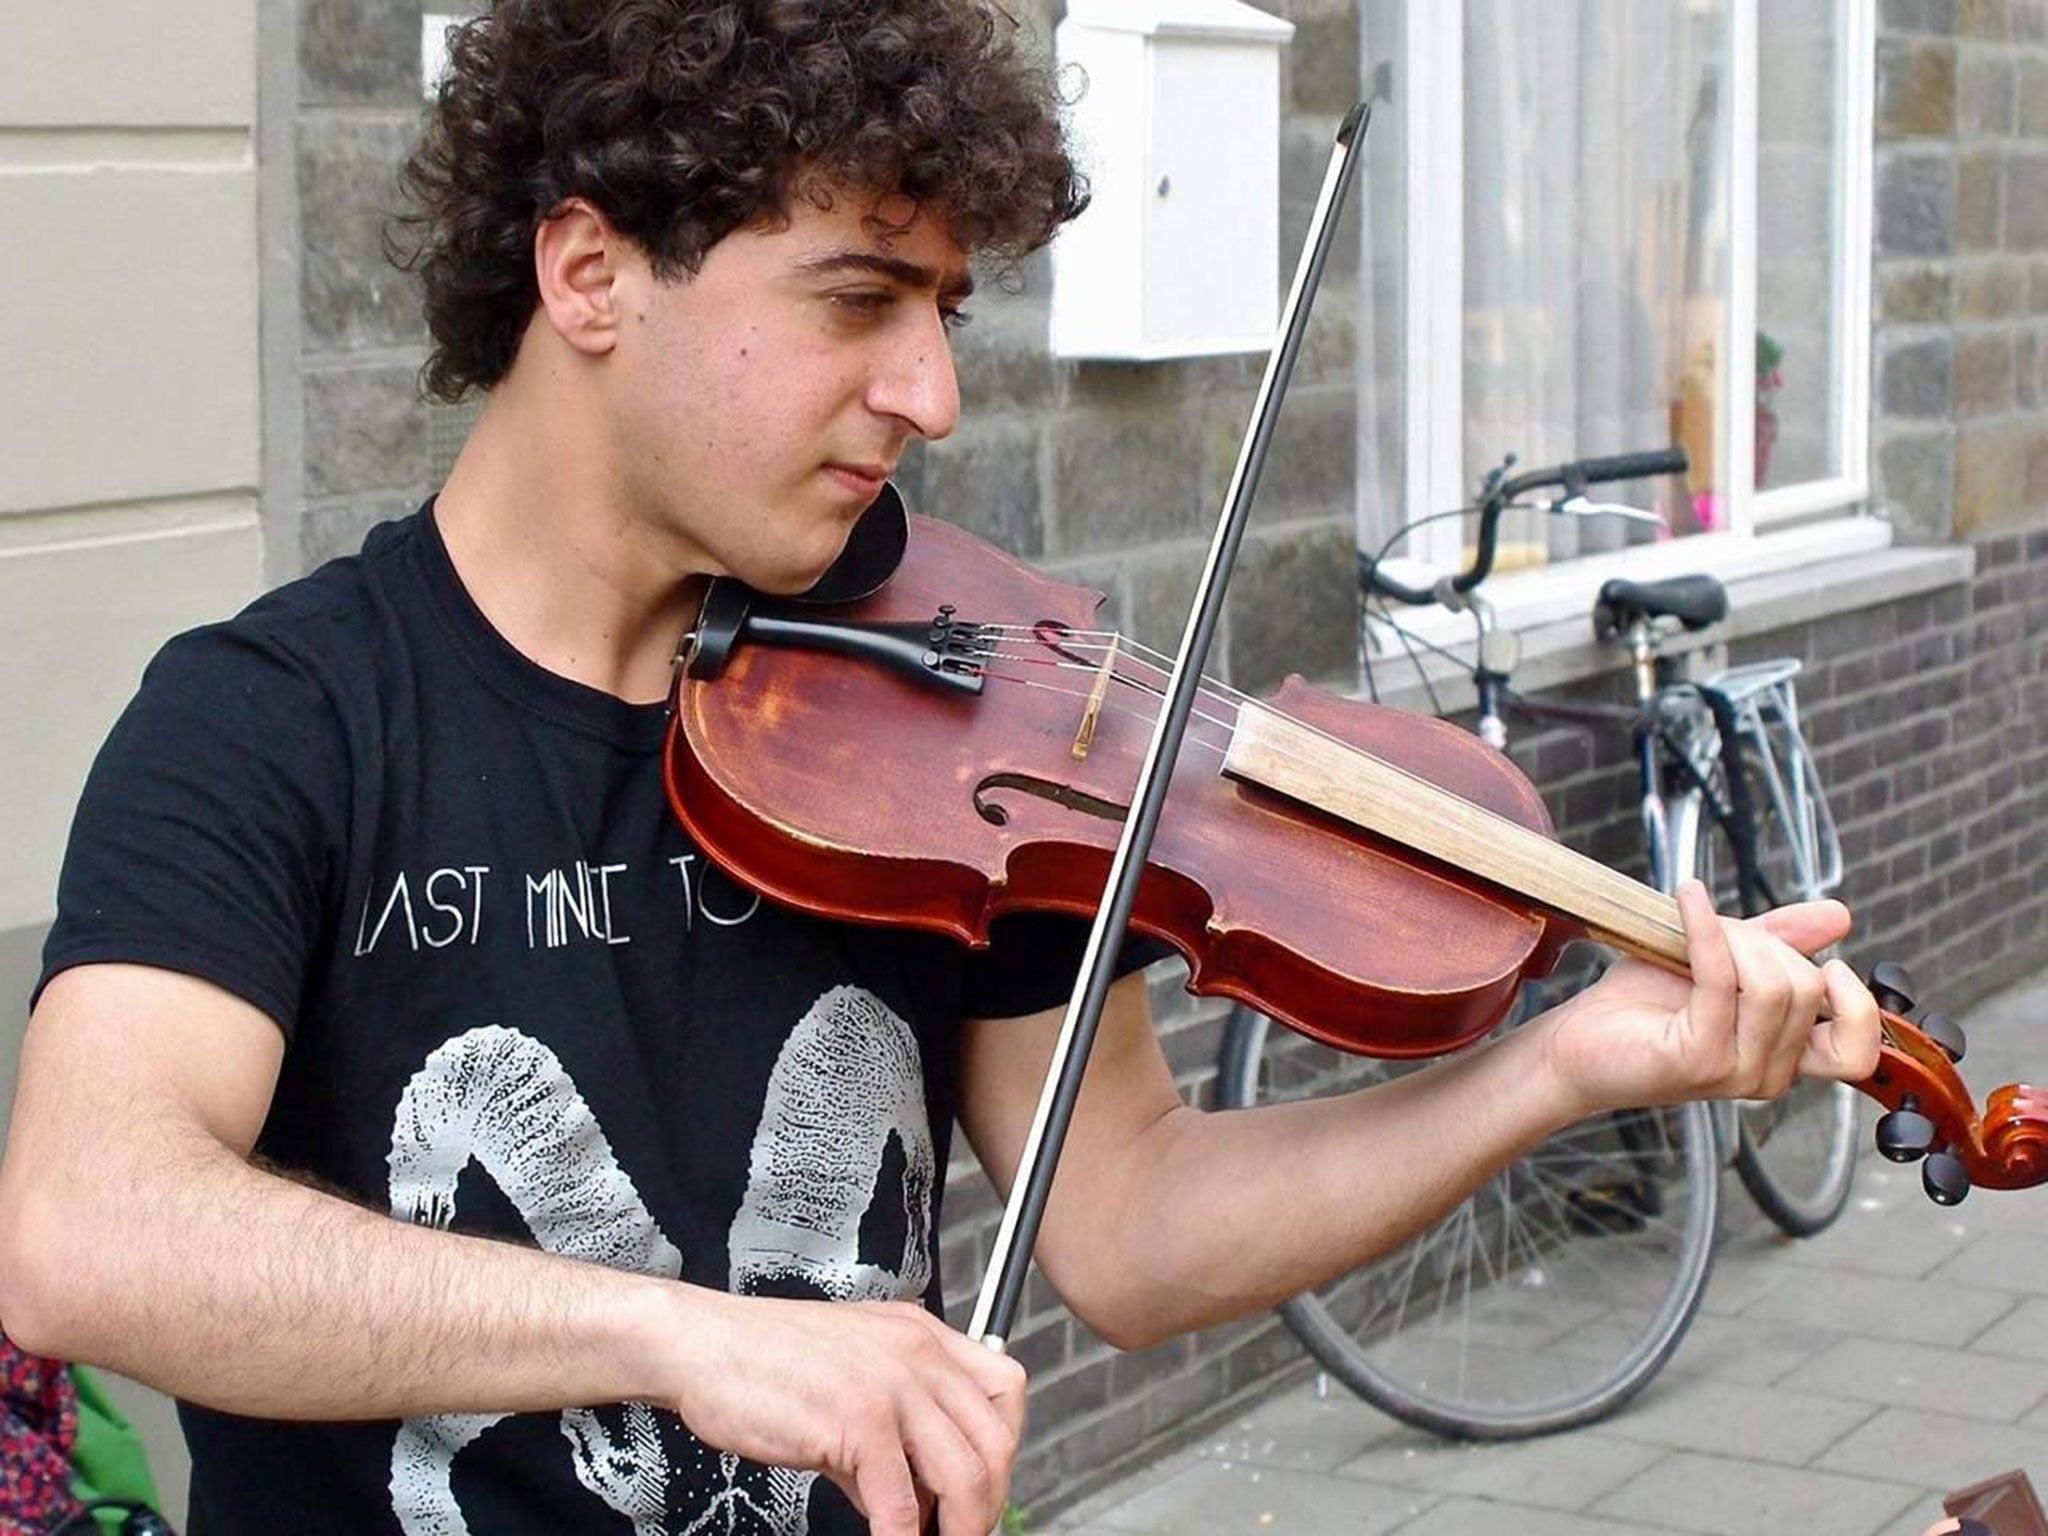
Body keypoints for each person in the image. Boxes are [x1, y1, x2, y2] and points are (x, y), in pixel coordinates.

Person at [0, 2, 1882, 1533]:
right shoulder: (279, 721)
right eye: (855, 300)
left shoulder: (943, 709)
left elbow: (1128, 1221)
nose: (933, 393)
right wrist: (680, 1342)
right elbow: (86, 1231)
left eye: (944, 312)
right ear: (587, 269)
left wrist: (1549, 1071)